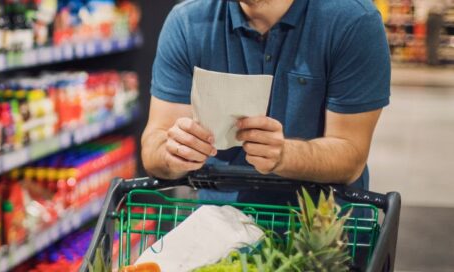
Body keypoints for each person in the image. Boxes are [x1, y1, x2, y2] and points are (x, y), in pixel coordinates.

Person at [141, 0, 390, 202]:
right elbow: (154, 147)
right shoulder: (187, 22)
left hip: (323, 232)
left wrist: (284, 155)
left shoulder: (353, 21)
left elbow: (351, 155)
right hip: (218, 232)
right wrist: (173, 154)